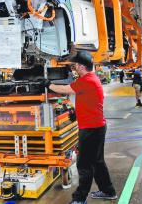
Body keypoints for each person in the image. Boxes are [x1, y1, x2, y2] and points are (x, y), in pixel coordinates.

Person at [41, 50, 117, 204]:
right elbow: (88, 100)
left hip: (91, 129)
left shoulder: (86, 80)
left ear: (82, 66)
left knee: (84, 164)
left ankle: (79, 199)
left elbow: (64, 89)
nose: (74, 67)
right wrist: (77, 113)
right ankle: (108, 191)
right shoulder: (91, 78)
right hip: (96, 126)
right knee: (97, 161)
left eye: (75, 65)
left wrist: (48, 84)